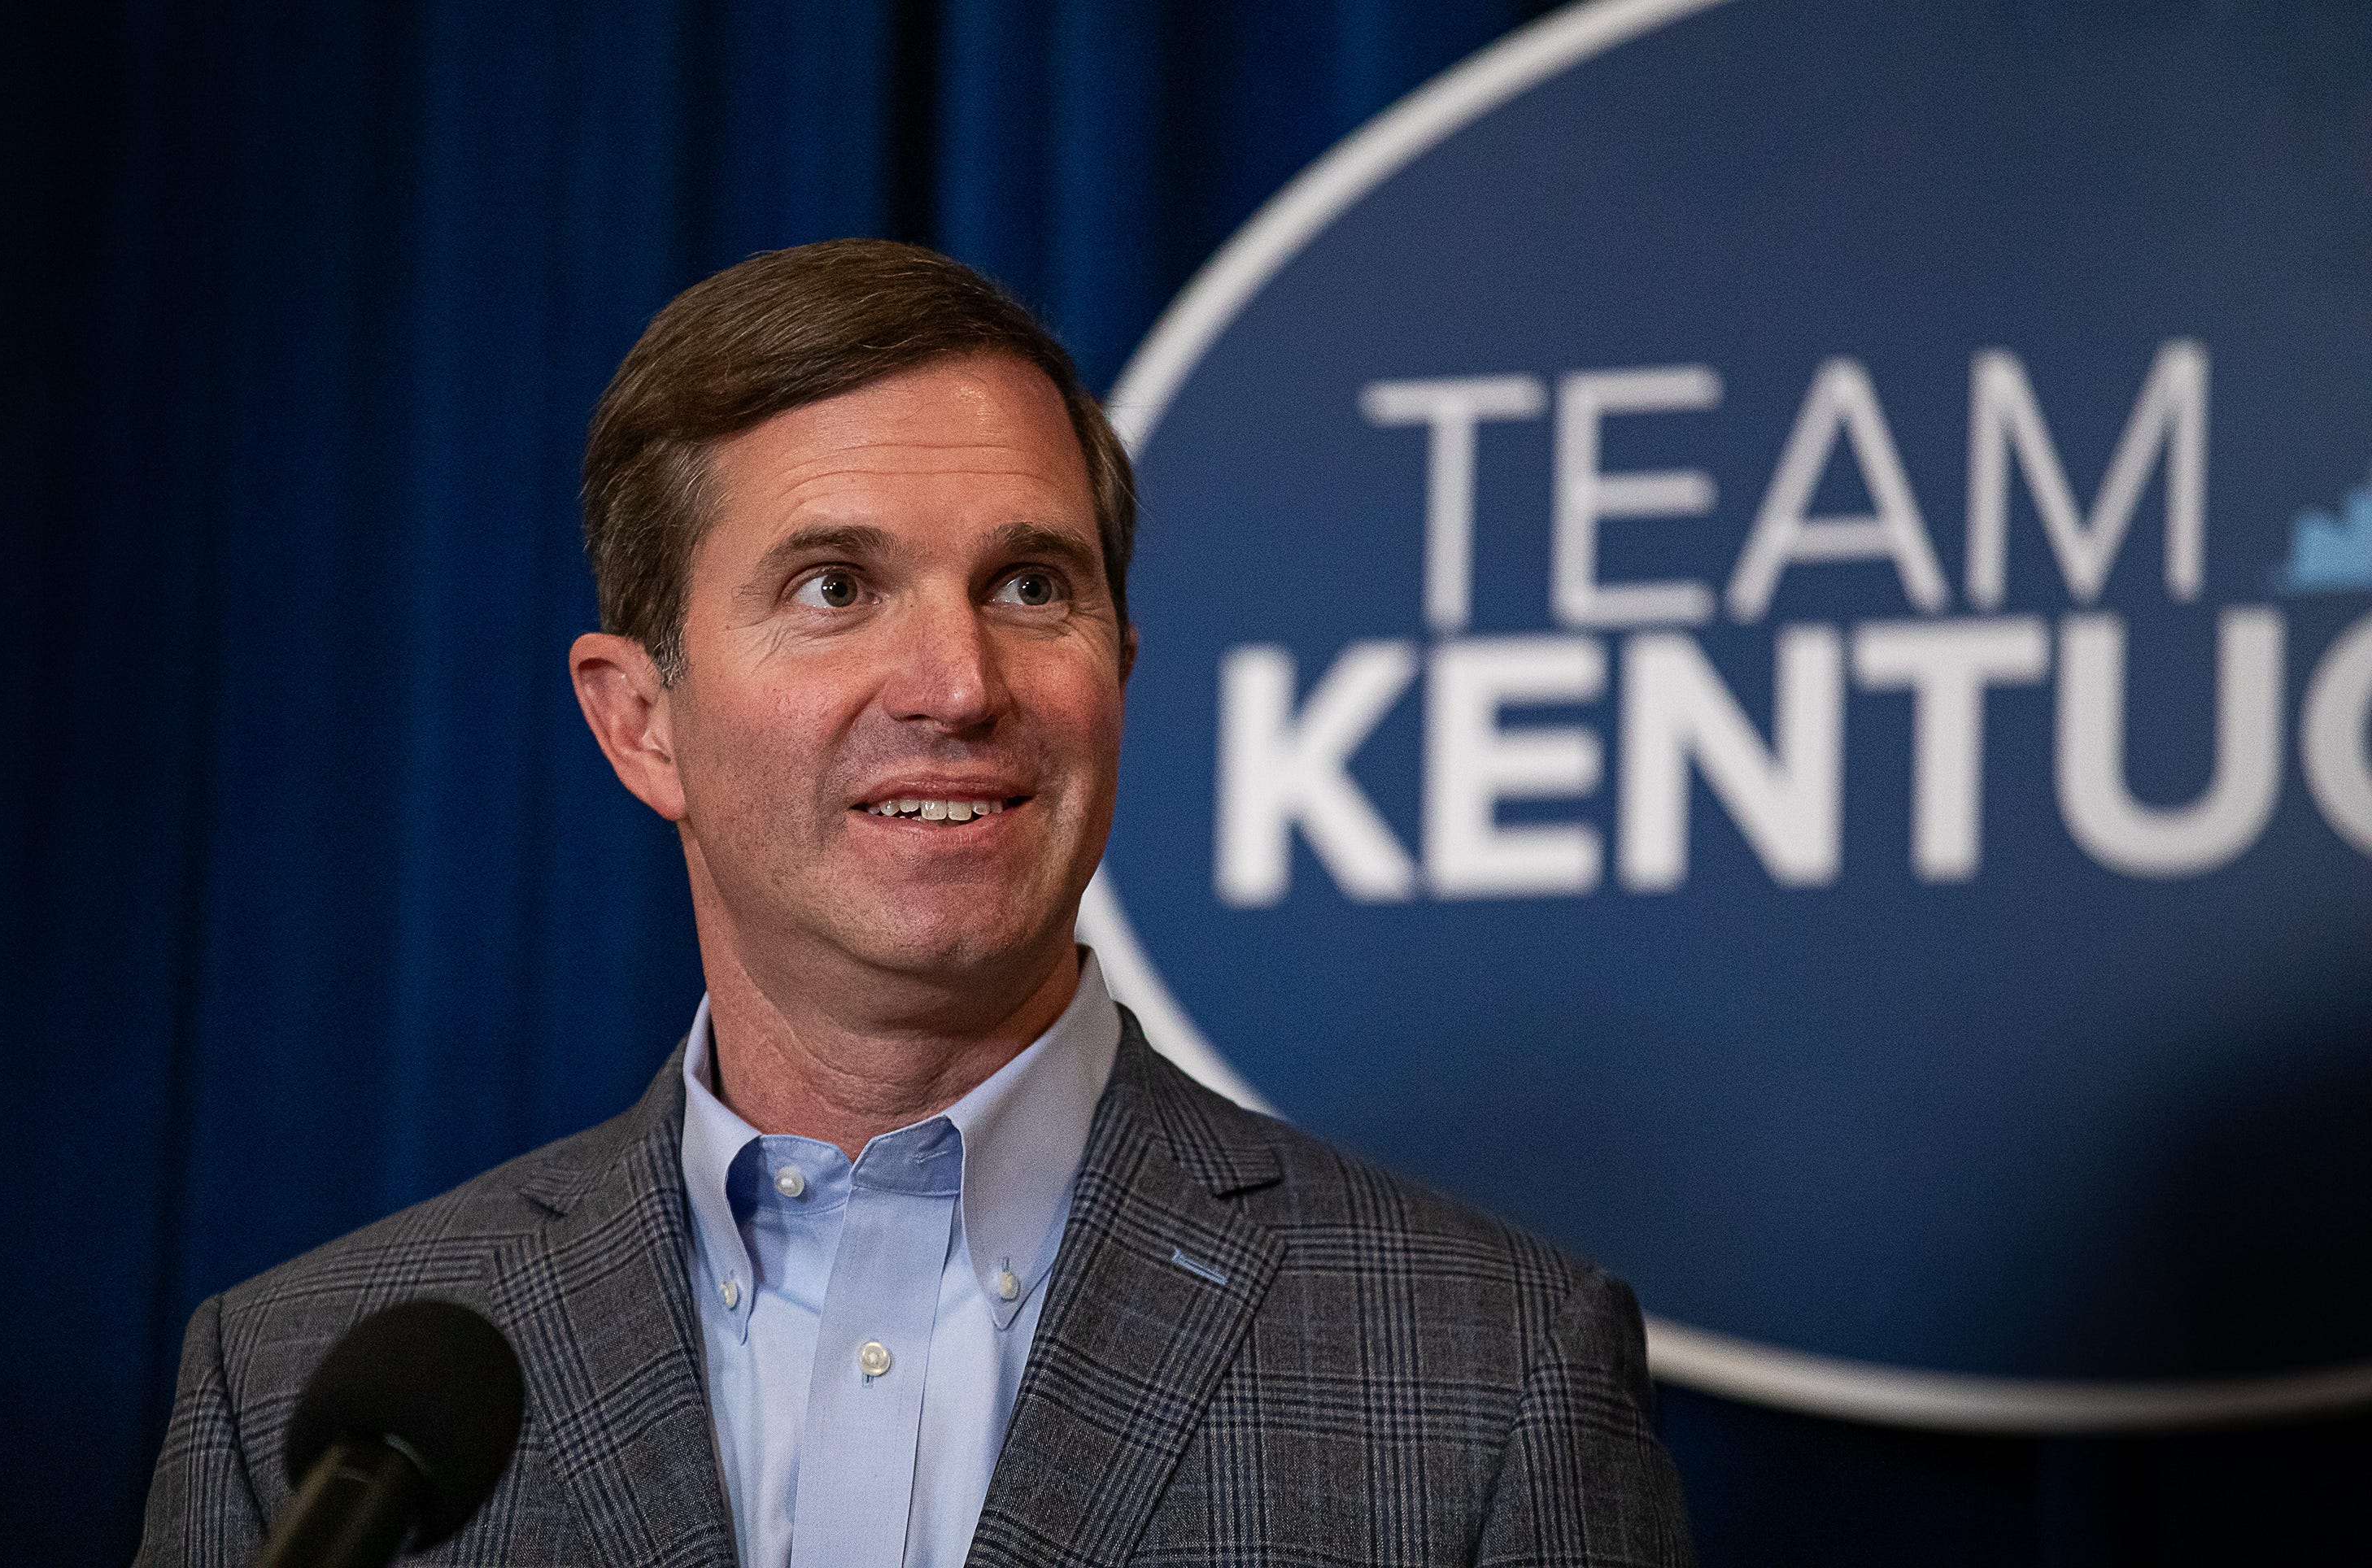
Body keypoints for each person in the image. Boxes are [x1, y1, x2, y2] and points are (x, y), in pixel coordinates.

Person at [137, 239, 1694, 1566]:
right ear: (639, 724)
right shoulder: (288, 1396)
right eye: (833, 587)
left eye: (1030, 585)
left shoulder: (1495, 1374)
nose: (959, 685)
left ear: (1121, 677)